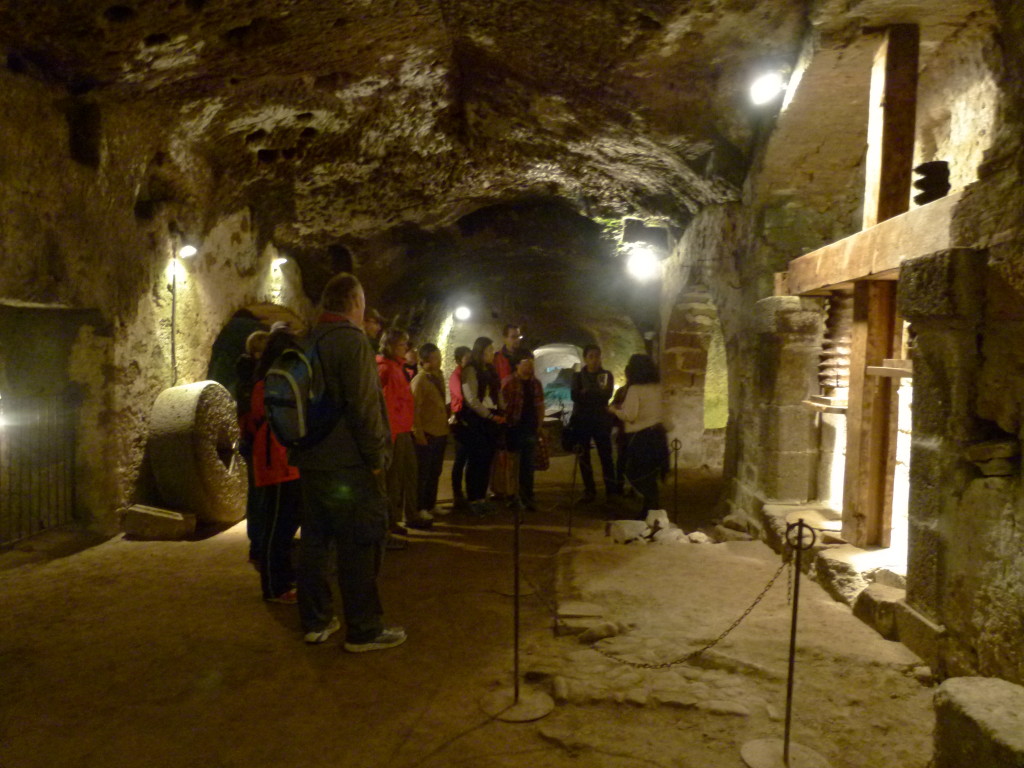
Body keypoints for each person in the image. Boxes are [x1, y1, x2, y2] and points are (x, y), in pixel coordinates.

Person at [289, 272, 406, 652]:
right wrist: (376, 459)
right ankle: (364, 629)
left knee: (315, 542)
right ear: (355, 301)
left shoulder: (307, 339)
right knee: (359, 544)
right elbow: (363, 407)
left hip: (311, 460)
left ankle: (316, 621)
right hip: (349, 465)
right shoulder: (352, 342)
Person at [246, 327, 303, 604]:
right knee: (277, 525)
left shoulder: (272, 382)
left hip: (286, 459)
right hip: (275, 460)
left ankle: (283, 577)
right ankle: (274, 586)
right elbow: (262, 420)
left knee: (287, 521)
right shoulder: (265, 385)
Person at [378, 328, 428, 530]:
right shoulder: (386, 369)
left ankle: (411, 514)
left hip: (404, 429)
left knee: (410, 473)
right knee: (394, 479)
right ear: (389, 346)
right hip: (395, 431)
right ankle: (391, 520)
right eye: (401, 344)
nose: (405, 348)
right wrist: (390, 434)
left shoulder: (397, 367)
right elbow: (386, 405)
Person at [610, 353, 669, 519]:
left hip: (641, 438)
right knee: (650, 474)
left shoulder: (635, 389)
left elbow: (630, 415)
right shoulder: (658, 387)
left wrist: (614, 410)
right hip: (658, 435)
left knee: (635, 473)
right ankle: (651, 510)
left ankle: (651, 508)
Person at [237, 330, 269, 568]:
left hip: (251, 440)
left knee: (257, 493)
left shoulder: (247, 376)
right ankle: (258, 546)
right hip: (257, 441)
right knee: (260, 494)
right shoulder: (255, 379)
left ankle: (258, 545)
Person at [461, 336, 504, 516]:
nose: (491, 354)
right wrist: (488, 415)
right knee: (476, 460)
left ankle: (482, 497)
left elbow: (498, 392)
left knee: (487, 460)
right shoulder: (471, 370)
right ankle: (473, 498)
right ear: (480, 352)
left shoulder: (492, 370)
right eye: (488, 351)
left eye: (492, 350)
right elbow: (471, 399)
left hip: (491, 420)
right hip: (477, 421)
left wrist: (502, 411)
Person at [570, 344, 617, 503]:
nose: (595, 360)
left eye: (597, 356)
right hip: (582, 421)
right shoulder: (577, 377)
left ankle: (611, 489)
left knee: (606, 456)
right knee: (584, 457)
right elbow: (575, 396)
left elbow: (607, 395)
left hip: (601, 421)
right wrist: (595, 393)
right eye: (591, 356)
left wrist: (587, 392)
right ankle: (589, 490)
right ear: (585, 359)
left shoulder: (606, 375)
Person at [500, 350, 545, 511]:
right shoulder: (509, 382)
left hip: (530, 428)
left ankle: (527, 496)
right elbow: (502, 405)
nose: (530, 366)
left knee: (528, 465)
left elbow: (540, 405)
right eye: (526, 362)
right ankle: (512, 496)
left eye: (531, 362)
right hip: (514, 428)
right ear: (517, 365)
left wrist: (539, 425)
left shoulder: (536, 383)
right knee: (512, 464)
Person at [411, 343, 450, 520]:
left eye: (439, 356)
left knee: (435, 471)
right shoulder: (420, 381)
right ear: (425, 360)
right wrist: (418, 433)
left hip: (440, 431)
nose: (440, 360)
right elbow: (414, 409)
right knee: (423, 473)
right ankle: (420, 507)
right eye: (435, 357)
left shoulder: (437, 377)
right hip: (427, 433)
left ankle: (431, 503)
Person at [448, 345, 472, 510]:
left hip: (467, 419)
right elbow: (460, 396)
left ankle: (466, 493)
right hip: (460, 421)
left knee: (467, 458)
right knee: (460, 459)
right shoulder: (456, 376)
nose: (470, 360)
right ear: (458, 360)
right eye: (467, 357)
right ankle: (457, 494)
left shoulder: (465, 374)